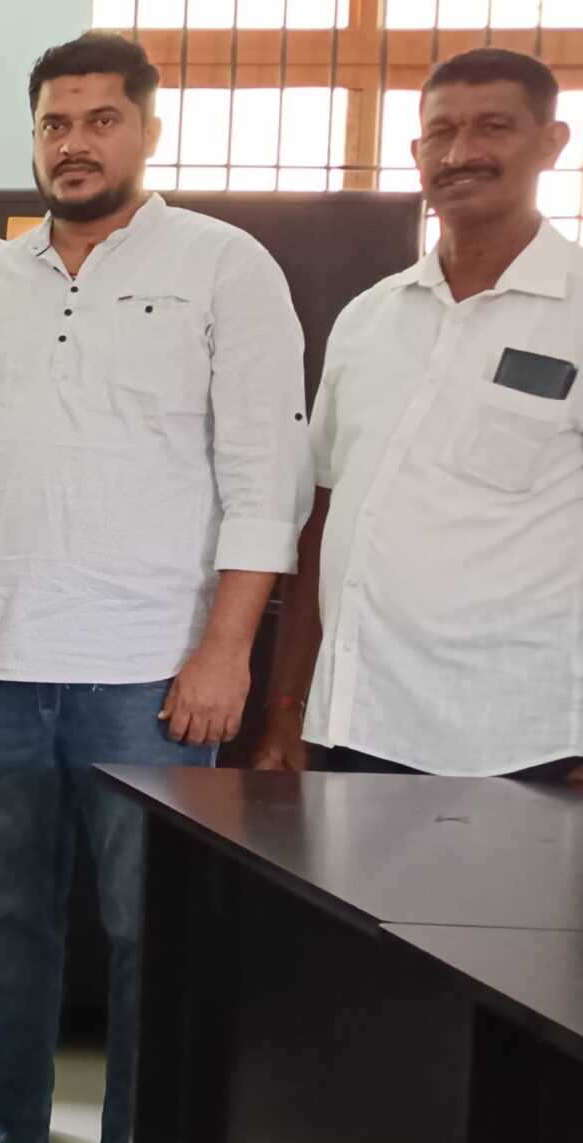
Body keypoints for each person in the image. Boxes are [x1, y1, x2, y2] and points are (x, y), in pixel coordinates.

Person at [0, 34, 311, 1143]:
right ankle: (12, 1132)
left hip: (149, 676)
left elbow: (266, 478)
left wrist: (225, 651)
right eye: (55, 124)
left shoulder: (224, 266)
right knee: (7, 928)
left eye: (100, 120)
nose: (74, 144)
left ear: (147, 131)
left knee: (145, 934)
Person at [254, 49, 583, 784]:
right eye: (442, 132)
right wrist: (286, 706)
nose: (461, 153)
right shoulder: (369, 318)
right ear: (417, 152)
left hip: (526, 744)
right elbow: (324, 521)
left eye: (492, 127)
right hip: (355, 724)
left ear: (551, 143)